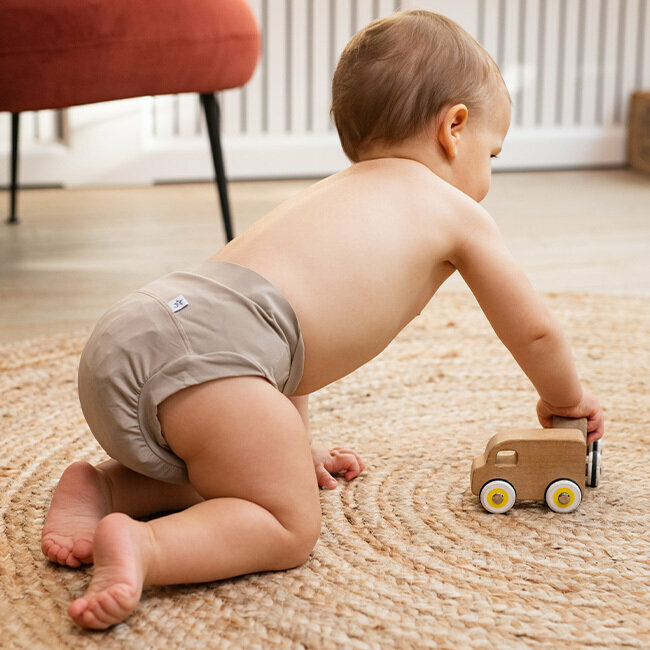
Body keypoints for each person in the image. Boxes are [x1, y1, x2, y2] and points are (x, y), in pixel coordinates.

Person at [41, 9, 604, 630]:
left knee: (242, 472)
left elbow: (285, 340)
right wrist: (567, 400)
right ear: (455, 128)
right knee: (287, 521)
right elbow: (533, 329)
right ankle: (146, 548)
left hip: (140, 330)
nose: (488, 175)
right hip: (212, 355)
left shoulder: (329, 195)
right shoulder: (452, 210)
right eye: (491, 154)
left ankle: (106, 489)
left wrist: (293, 443)